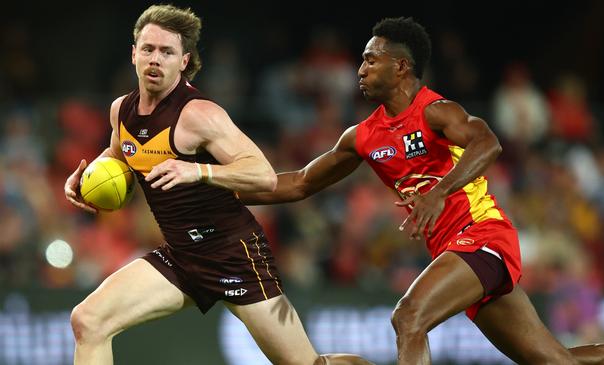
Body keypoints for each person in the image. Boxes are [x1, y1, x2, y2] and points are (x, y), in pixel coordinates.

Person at [240, 17, 604, 365]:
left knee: (407, 318)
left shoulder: (436, 111)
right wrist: (225, 191)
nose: (359, 69)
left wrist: (440, 191)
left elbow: (488, 143)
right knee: (553, 360)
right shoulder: (362, 137)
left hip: (483, 238)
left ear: (400, 66)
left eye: (370, 59)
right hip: (455, 254)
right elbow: (299, 183)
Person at [63, 4, 372, 365]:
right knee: (88, 320)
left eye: (167, 52)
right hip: (180, 256)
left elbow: (263, 174)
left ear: (184, 60)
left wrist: (198, 172)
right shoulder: (122, 110)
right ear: (133, 54)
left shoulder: (199, 115)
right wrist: (90, 176)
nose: (155, 59)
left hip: (233, 255)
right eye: (148, 49)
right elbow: (119, 154)